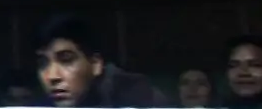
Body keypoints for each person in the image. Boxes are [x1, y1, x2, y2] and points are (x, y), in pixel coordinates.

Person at [32, 15, 166, 108]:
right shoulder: (38, 105)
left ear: (96, 64)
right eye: (43, 63)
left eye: (66, 60)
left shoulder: (137, 96)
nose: (52, 76)